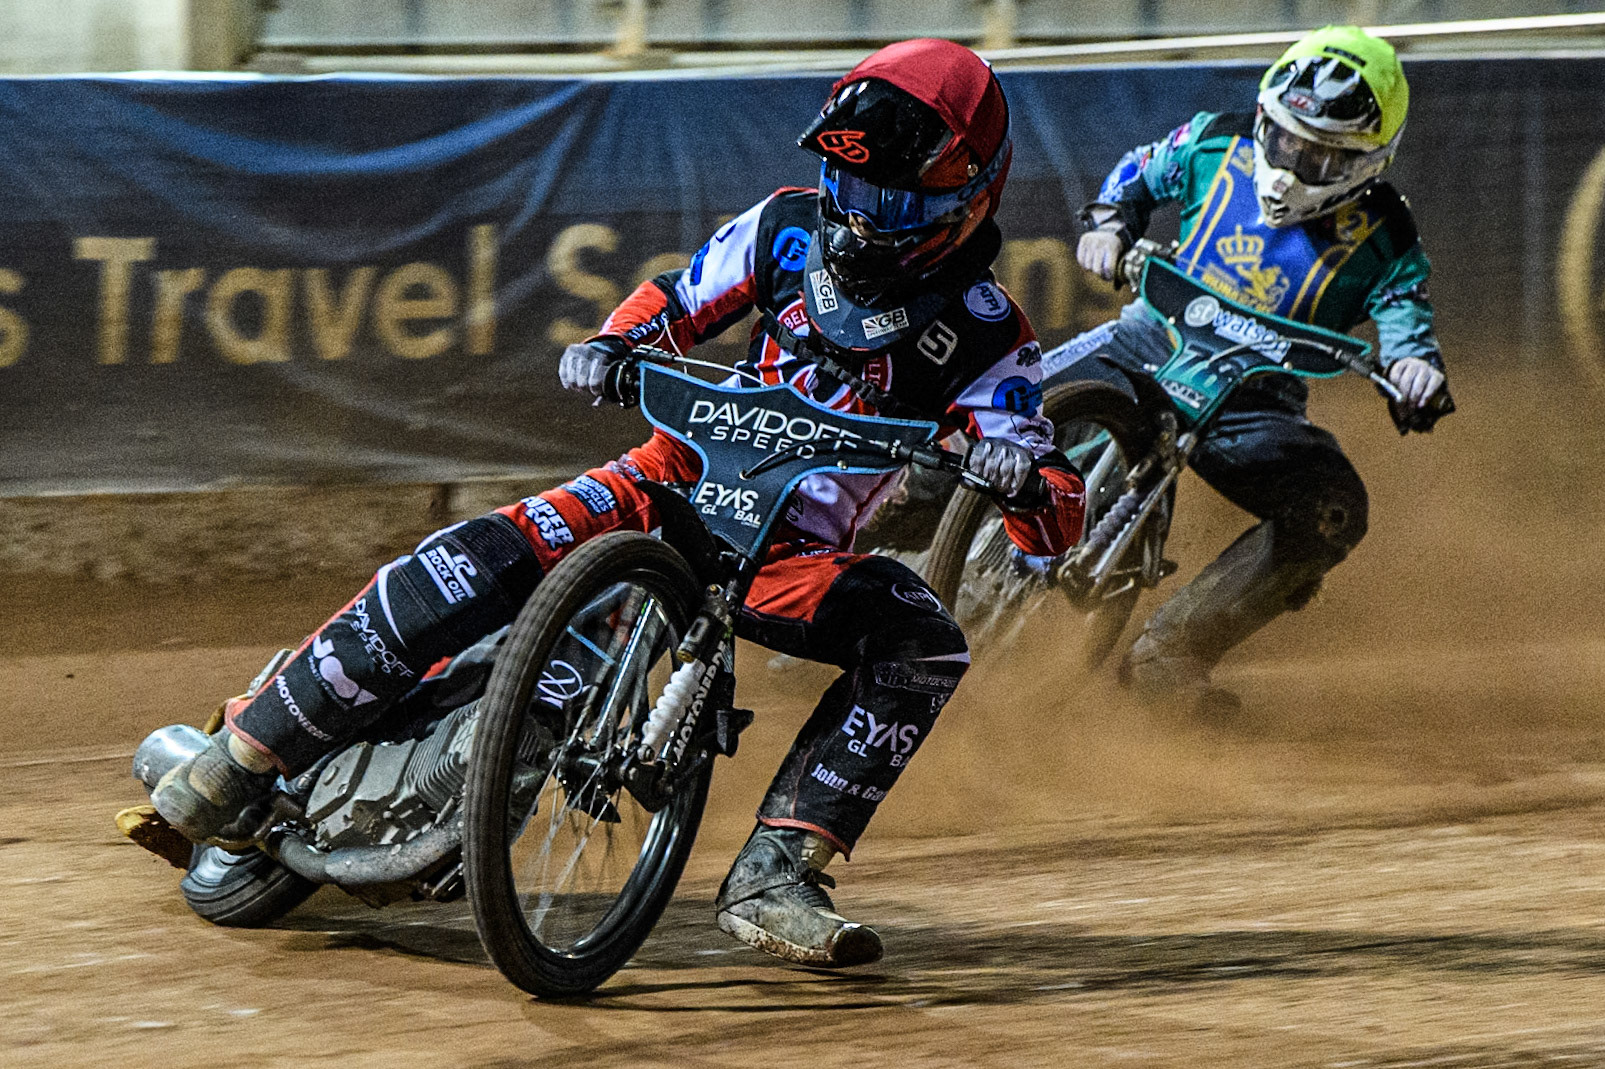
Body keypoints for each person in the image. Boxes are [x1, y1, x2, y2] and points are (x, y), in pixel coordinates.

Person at [147, 38, 1086, 968]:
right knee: (468, 554)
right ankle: (241, 756)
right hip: (659, 484)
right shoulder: (785, 228)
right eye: (851, 186)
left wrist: (1019, 480)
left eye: (891, 197)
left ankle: (778, 868)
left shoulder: (989, 333)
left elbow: (1053, 513)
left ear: (971, 196)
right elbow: (675, 300)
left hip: (788, 556)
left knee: (925, 640)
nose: (863, 214)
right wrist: (611, 343)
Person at [1064, 25, 1451, 714]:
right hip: (1148, 340)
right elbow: (1137, 172)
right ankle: (904, 509)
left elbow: (1403, 313)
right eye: (1282, 138)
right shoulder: (1212, 140)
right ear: (1265, 114)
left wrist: (1413, 367)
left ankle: (1171, 653)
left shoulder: (1386, 233)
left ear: (1369, 160)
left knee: (1332, 509)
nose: (1293, 161)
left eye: (1322, 156)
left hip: (1251, 405)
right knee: (1003, 394)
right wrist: (1107, 223)